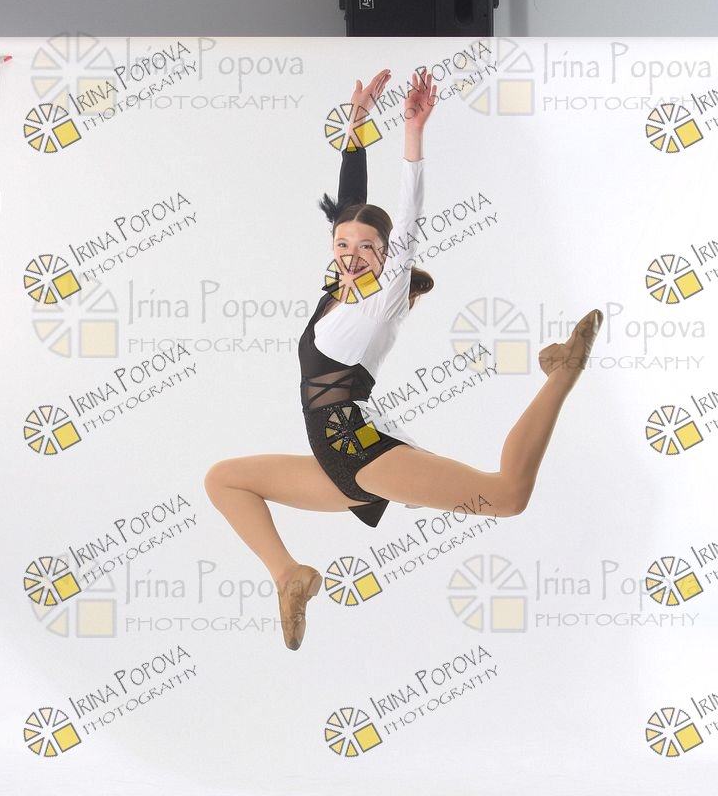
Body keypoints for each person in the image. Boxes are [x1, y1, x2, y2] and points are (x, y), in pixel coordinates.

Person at [204, 66, 602, 651]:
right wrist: (358, 124)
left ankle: (561, 373)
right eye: (342, 244)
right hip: (336, 455)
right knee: (225, 480)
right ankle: (291, 575)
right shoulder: (338, 289)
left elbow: (407, 217)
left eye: (367, 247)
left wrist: (412, 134)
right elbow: (350, 202)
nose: (352, 253)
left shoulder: (382, 298)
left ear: (387, 255)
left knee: (507, 495)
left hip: (358, 450)